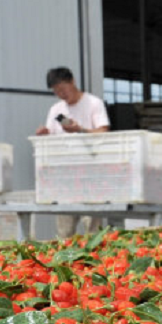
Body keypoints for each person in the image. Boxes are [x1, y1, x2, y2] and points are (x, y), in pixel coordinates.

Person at [34, 67, 110, 237]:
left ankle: (94, 261)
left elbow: (103, 132)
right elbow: (52, 138)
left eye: (63, 89)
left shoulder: (94, 103)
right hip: (65, 176)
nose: (61, 94)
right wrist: (45, 134)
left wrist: (80, 130)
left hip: (92, 174)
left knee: (92, 229)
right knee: (64, 230)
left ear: (72, 82)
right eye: (56, 91)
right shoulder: (56, 110)